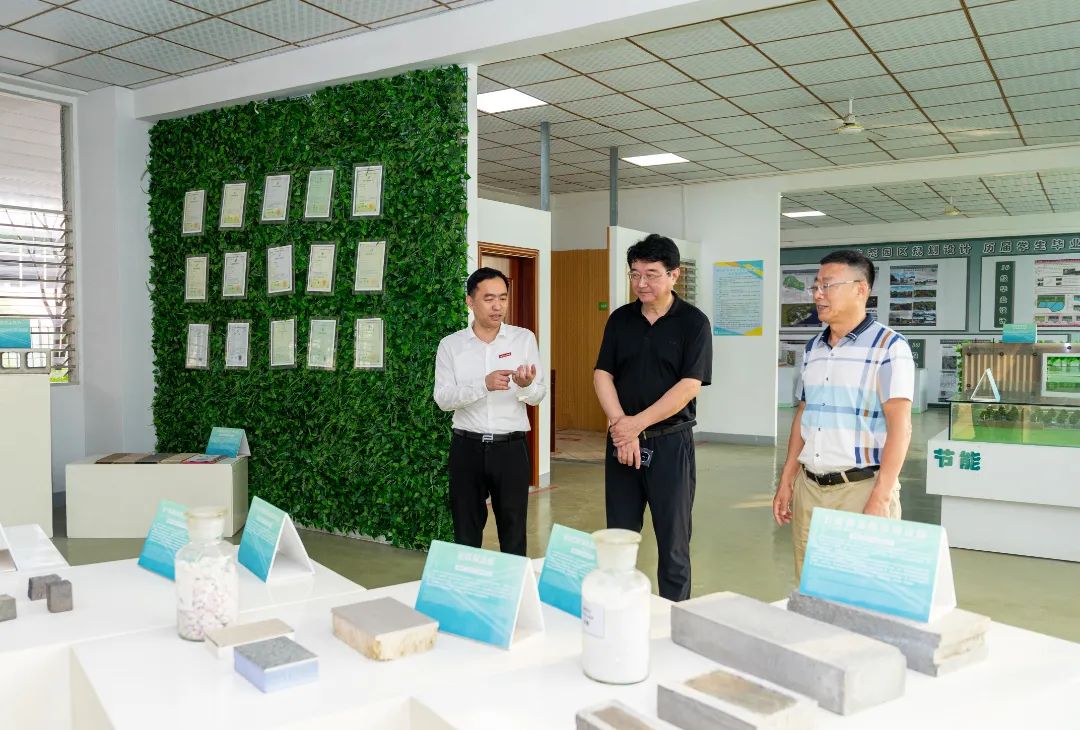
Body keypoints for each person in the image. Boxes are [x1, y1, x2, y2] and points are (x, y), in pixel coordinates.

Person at [772, 249, 914, 581]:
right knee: (812, 586)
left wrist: (881, 496)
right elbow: (805, 415)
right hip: (810, 489)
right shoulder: (814, 349)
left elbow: (901, 428)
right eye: (816, 286)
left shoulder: (889, 347)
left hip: (860, 490)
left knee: (861, 590)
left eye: (828, 285)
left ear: (860, 289)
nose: (818, 294)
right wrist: (787, 479)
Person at [593, 234, 712, 601]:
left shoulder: (693, 323)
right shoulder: (620, 319)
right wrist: (622, 427)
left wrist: (636, 425)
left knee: (673, 544)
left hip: (669, 445)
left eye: (651, 274)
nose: (641, 283)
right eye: (635, 274)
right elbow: (602, 374)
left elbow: (689, 386)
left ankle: (675, 619)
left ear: (674, 275)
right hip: (622, 444)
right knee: (618, 539)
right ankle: (616, 611)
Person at [434, 267, 545, 556]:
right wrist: (483, 385)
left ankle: (514, 585)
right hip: (466, 448)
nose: (498, 306)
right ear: (470, 301)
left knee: (514, 531)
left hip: (511, 450)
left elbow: (538, 396)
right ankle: (468, 582)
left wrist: (526, 386)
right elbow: (443, 399)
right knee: (466, 532)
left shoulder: (523, 339)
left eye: (503, 298)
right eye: (489, 298)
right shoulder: (451, 346)